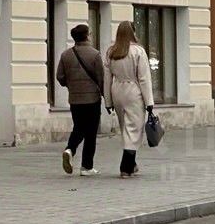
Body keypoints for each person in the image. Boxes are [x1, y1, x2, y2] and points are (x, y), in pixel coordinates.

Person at [103, 21, 154, 178]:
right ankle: (125, 166)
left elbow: (107, 78)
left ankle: (132, 164)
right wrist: (149, 102)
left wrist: (108, 101)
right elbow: (144, 78)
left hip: (117, 90)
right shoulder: (138, 51)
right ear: (133, 32)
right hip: (133, 91)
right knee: (134, 129)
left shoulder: (111, 52)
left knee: (125, 126)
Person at [55, 23, 104, 176]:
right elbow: (101, 78)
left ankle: (70, 150)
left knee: (79, 127)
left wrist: (70, 85)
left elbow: (60, 76)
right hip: (92, 99)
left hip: (75, 99)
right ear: (87, 36)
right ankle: (86, 167)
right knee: (90, 133)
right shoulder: (95, 55)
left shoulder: (66, 55)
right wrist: (105, 95)